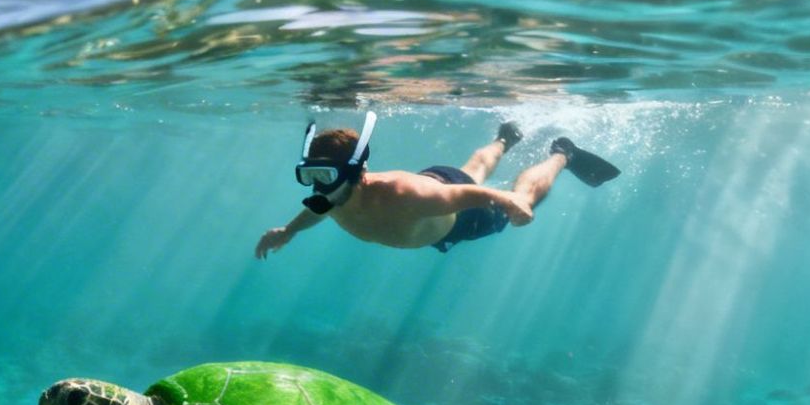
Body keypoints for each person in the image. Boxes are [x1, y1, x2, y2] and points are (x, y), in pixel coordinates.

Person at [255, 113, 618, 259]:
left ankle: (562, 153)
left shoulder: (403, 195)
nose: (318, 188)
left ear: (357, 173)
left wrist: (510, 201)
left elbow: (462, 194)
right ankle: (506, 138)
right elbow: (315, 211)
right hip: (434, 198)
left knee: (515, 195)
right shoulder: (332, 196)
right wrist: (288, 231)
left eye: (326, 177)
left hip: (459, 213)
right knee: (473, 169)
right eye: (311, 177)